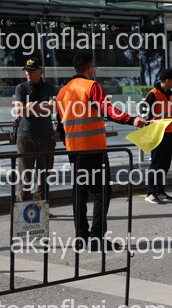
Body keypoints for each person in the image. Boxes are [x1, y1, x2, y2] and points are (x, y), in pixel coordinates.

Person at [56, 52, 146, 250]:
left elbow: (60, 126)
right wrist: (132, 120)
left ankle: (81, 238)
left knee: (80, 193)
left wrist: (70, 143)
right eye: (94, 67)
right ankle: (96, 239)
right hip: (94, 149)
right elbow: (109, 110)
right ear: (90, 67)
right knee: (102, 192)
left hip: (74, 151)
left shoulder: (62, 92)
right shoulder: (91, 86)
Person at [13, 57, 56, 202]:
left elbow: (52, 108)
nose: (28, 73)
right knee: (24, 176)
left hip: (45, 137)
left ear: (40, 72)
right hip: (25, 138)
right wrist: (41, 107)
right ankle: (23, 208)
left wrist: (33, 106)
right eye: (27, 70)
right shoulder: (21, 88)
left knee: (44, 176)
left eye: (32, 70)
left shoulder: (49, 88)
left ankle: (41, 208)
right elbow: (19, 110)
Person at [142, 68, 172, 204]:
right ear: (168, 81)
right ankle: (150, 193)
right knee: (156, 164)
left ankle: (160, 191)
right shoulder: (153, 94)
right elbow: (144, 114)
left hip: (169, 133)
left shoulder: (168, 94)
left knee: (165, 164)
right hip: (157, 134)